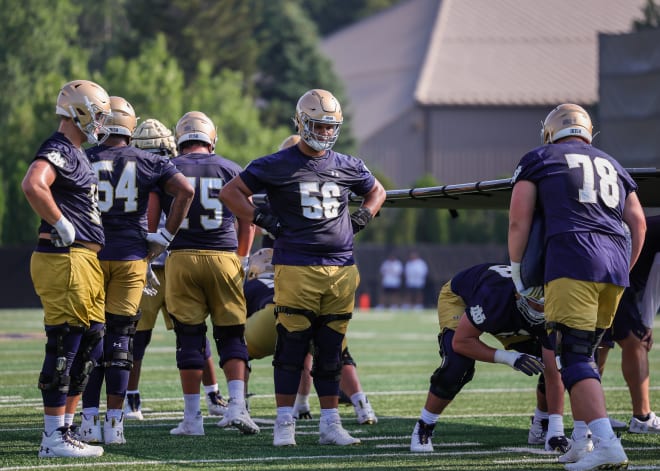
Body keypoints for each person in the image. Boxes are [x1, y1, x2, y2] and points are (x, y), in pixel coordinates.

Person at [220, 88, 386, 447]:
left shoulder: (347, 164)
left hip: (342, 268)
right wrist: (263, 218)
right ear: (301, 122)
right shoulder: (276, 163)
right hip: (296, 266)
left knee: (331, 349)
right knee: (292, 346)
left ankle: (330, 424)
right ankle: (284, 424)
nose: (325, 133)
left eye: (330, 127)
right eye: (318, 125)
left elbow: (378, 191)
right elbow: (231, 193)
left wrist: (362, 216)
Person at [508, 103, 646, 470]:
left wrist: (519, 273)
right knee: (586, 354)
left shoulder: (539, 157)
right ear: (587, 132)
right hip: (614, 266)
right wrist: (623, 267)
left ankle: (606, 444)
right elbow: (638, 223)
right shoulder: (613, 164)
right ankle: (584, 439)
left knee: (573, 356)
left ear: (551, 132)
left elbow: (518, 221)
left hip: (574, 259)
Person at [77, 98, 194, 445]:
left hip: (93, 256)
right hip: (132, 257)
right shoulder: (148, 160)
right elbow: (185, 190)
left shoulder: (85, 158)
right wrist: (165, 237)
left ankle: (87, 421)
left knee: (91, 338)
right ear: (130, 126)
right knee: (121, 340)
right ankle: (115, 425)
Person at [22, 79, 111, 458]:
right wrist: (59, 222)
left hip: (84, 259)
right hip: (65, 257)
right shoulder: (58, 148)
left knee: (92, 341)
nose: (102, 121)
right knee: (66, 343)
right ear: (79, 111)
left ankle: (66, 430)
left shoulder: (77, 153)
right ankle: (52, 437)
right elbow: (33, 184)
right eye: (99, 113)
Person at [122, 118, 228, 421]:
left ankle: (212, 393)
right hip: (150, 260)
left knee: (192, 332)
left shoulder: (173, 171)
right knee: (136, 336)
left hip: (174, 261)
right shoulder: (150, 171)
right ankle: (131, 397)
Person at [163, 111, 258, 436]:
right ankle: (236, 407)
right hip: (223, 257)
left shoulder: (169, 167)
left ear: (181, 139)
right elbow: (249, 219)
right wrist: (242, 259)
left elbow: (151, 217)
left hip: (181, 257)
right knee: (231, 335)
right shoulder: (231, 168)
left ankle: (192, 419)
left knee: (189, 338)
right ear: (210, 138)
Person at [409, 263, 567, 453]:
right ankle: (424, 426)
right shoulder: (496, 295)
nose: (541, 310)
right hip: (462, 299)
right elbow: (462, 341)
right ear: (520, 294)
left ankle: (543, 425)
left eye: (545, 303)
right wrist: (509, 357)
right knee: (459, 364)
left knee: (557, 362)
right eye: (535, 302)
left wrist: (557, 431)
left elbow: (553, 371)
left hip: (507, 313)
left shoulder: (553, 306)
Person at [244, 248, 378, 425]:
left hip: (270, 317)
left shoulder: (251, 285)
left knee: (238, 353)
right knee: (336, 354)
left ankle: (241, 405)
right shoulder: (294, 273)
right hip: (312, 314)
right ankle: (362, 408)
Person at [597, 214, 660, 434]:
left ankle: (594, 417)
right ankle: (642, 417)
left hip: (601, 275)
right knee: (636, 342)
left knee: (599, 344)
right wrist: (647, 322)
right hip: (617, 281)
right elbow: (656, 277)